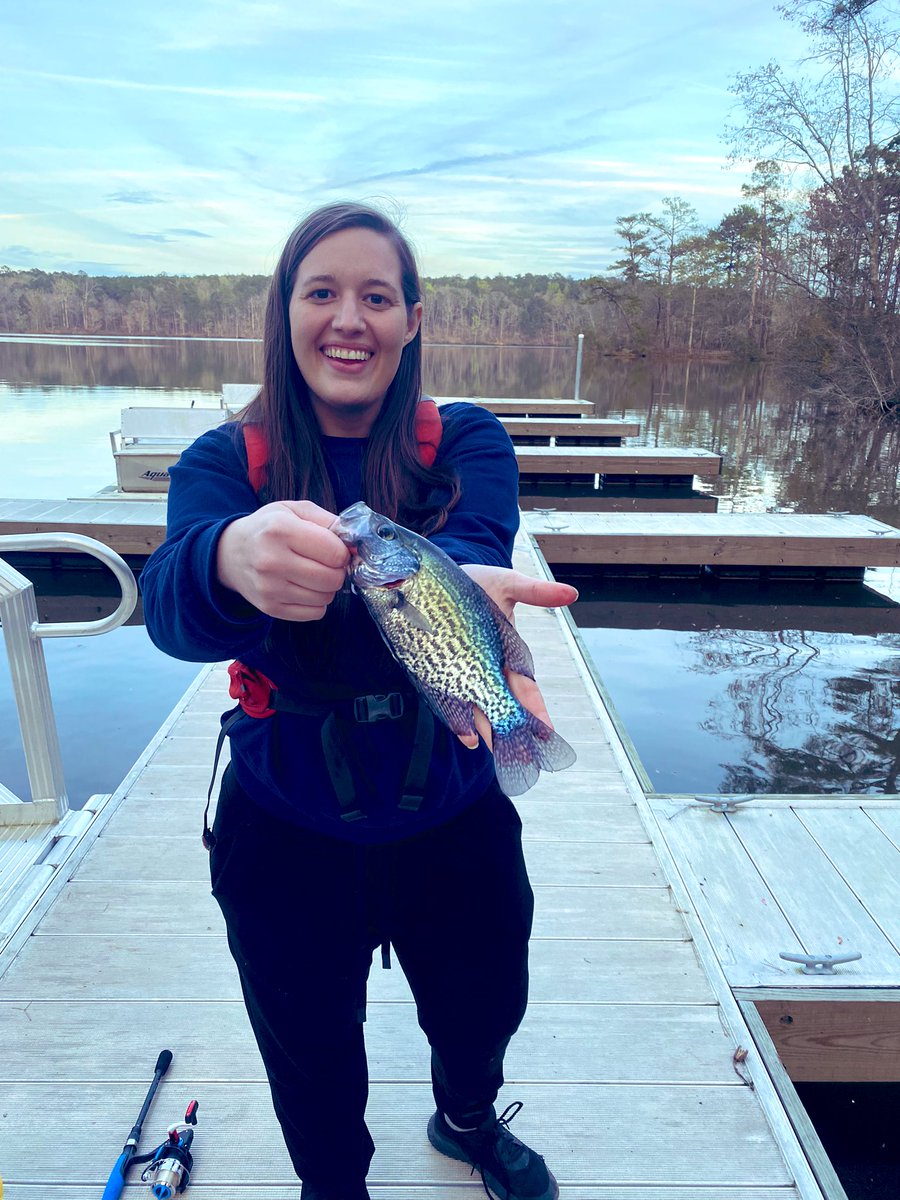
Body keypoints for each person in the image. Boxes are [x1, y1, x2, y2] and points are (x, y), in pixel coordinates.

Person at [140, 201, 577, 1200]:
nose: (349, 318)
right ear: (284, 312)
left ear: (412, 320)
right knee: (309, 1048)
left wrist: (472, 599)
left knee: (483, 1009)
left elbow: (475, 549)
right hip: (285, 821)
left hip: (453, 809)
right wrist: (225, 558)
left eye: (376, 296)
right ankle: (333, 1186)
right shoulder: (225, 463)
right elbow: (172, 611)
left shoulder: (464, 440)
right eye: (321, 292)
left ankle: (467, 1122)